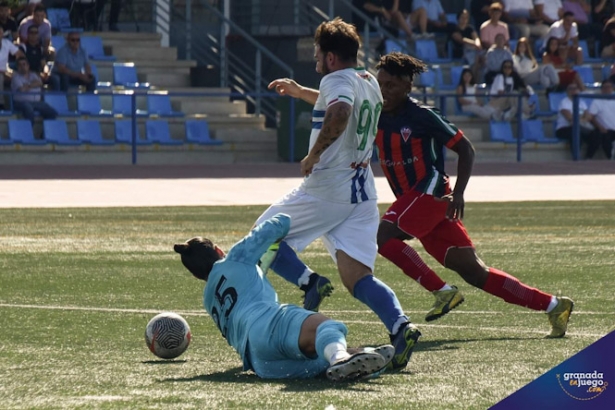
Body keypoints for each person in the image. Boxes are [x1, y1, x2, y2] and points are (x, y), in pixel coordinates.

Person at [373, 51, 574, 338]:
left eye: (390, 85)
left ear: (407, 86)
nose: (384, 91)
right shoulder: (375, 112)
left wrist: (459, 194)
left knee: (384, 237)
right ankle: (554, 305)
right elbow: (338, 102)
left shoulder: (422, 116)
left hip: (430, 194)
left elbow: (466, 148)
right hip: (417, 204)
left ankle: (442, 292)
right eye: (380, 84)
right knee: (476, 273)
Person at [263, 18, 421, 372]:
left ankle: (310, 282)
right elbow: (336, 101)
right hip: (362, 190)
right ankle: (401, 327)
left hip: (329, 187)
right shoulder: (367, 80)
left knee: (264, 236)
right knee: (357, 277)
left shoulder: (334, 80)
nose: (316, 59)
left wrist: (314, 153)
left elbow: (339, 110)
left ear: (331, 57)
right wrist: (300, 91)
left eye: (319, 53)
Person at [173, 213, 395, 381]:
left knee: (318, 359)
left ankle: (360, 355)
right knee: (326, 327)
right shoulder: (234, 258)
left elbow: (243, 291)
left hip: (260, 362)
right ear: (219, 250)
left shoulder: (208, 298)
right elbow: (278, 222)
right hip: (269, 323)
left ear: (195, 275)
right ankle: (341, 357)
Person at [555, 82, 599, 158]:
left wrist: (580, 118)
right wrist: (582, 118)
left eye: (575, 89)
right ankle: (575, 158)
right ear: (567, 91)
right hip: (564, 129)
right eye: (570, 89)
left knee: (596, 135)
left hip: (580, 127)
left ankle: (588, 157)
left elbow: (588, 116)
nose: (573, 91)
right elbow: (569, 118)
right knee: (576, 132)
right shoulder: (564, 102)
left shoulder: (581, 102)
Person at [11, 56, 57, 125]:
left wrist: (28, 86)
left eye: (24, 64)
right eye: (20, 65)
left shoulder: (33, 75)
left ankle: (44, 132)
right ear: (17, 67)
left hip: (36, 103)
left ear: (28, 66)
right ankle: (29, 131)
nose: (22, 67)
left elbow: (40, 83)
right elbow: (22, 89)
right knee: (28, 109)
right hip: (20, 103)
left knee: (52, 112)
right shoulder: (16, 78)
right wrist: (33, 84)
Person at [19, 23, 58, 90]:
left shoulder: (40, 48)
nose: (34, 35)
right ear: (28, 34)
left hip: (39, 73)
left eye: (36, 33)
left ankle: (56, 98)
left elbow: (43, 63)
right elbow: (22, 65)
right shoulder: (23, 47)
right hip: (27, 73)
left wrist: (46, 72)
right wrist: (37, 74)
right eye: (31, 33)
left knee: (55, 79)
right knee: (38, 79)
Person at [585, 80, 615, 159]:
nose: (607, 89)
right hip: (605, 130)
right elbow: (591, 116)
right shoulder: (597, 101)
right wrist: (599, 127)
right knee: (603, 137)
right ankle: (609, 158)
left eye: (609, 87)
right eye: (605, 87)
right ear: (602, 89)